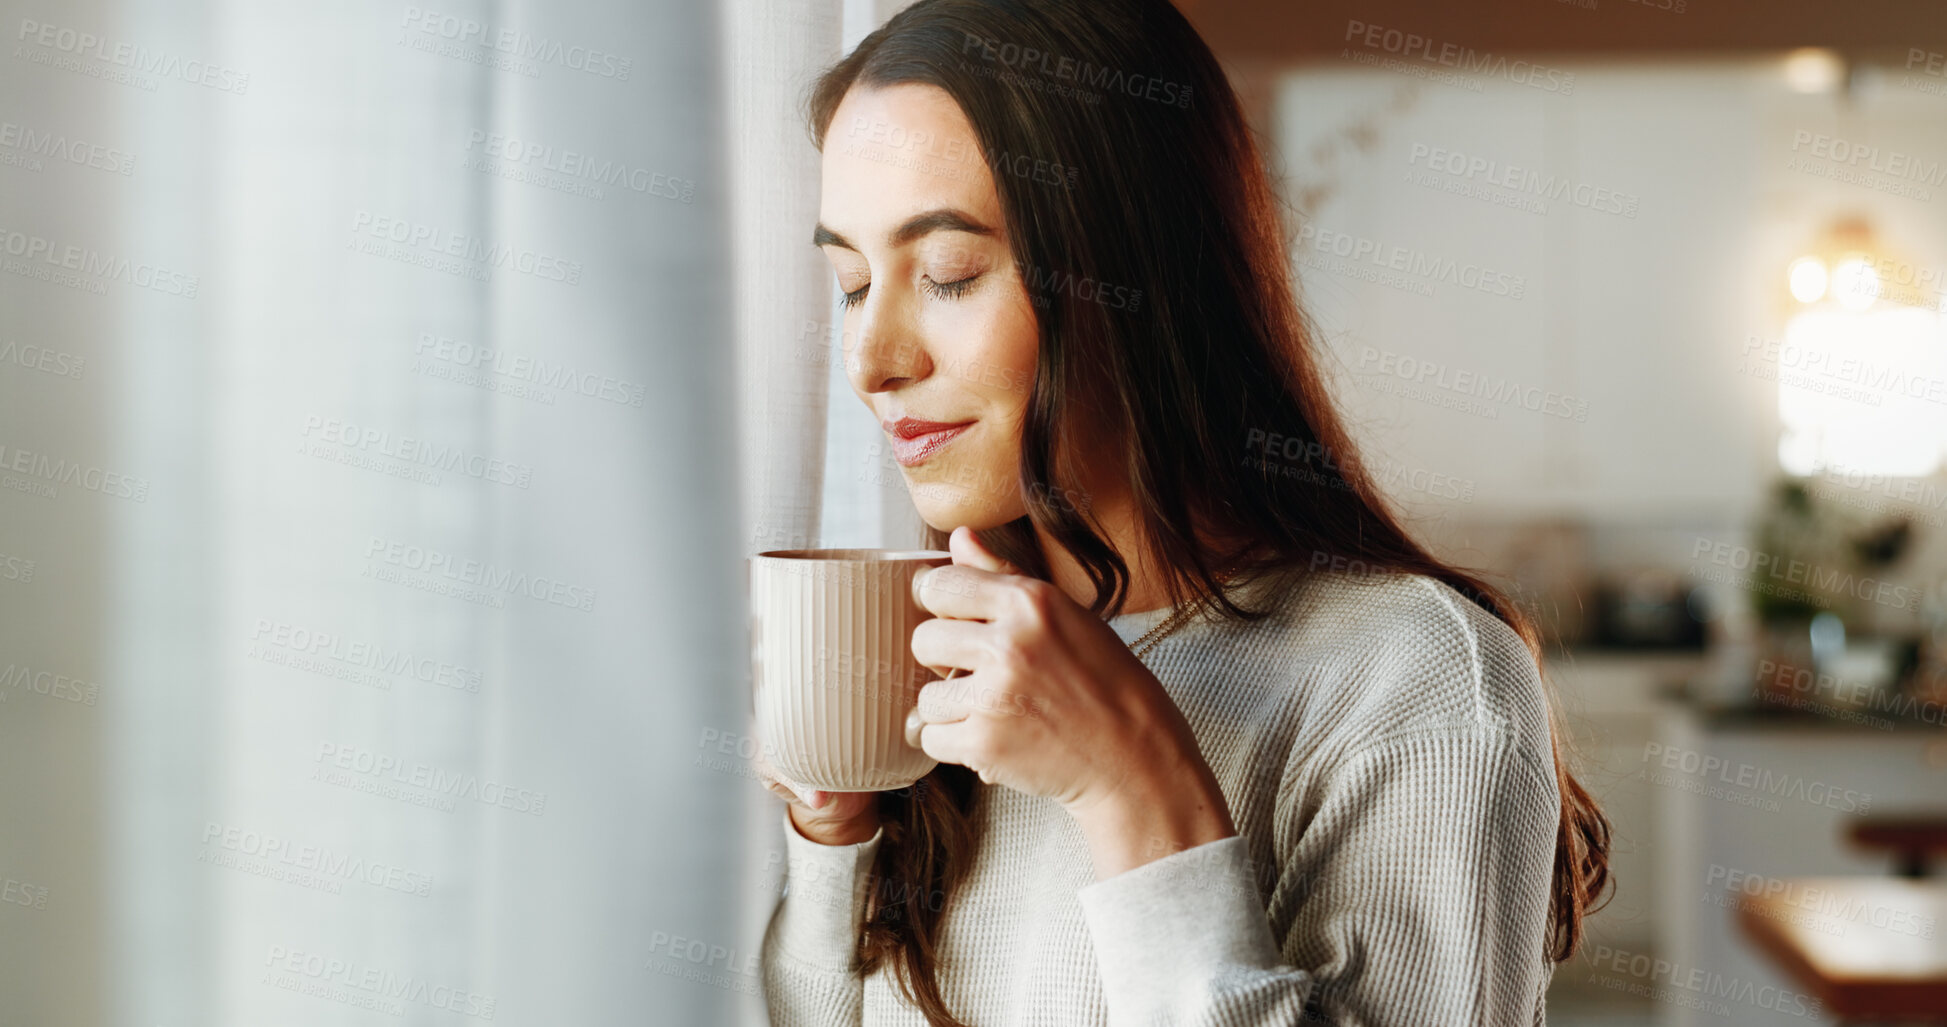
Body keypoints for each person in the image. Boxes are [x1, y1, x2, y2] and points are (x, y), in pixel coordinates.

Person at [754, 1, 1611, 1024]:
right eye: (852, 283)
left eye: (948, 274)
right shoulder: (951, 661)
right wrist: (836, 836)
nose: (872, 362)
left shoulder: (1412, 678)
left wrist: (1136, 794)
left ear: (1137, 273)